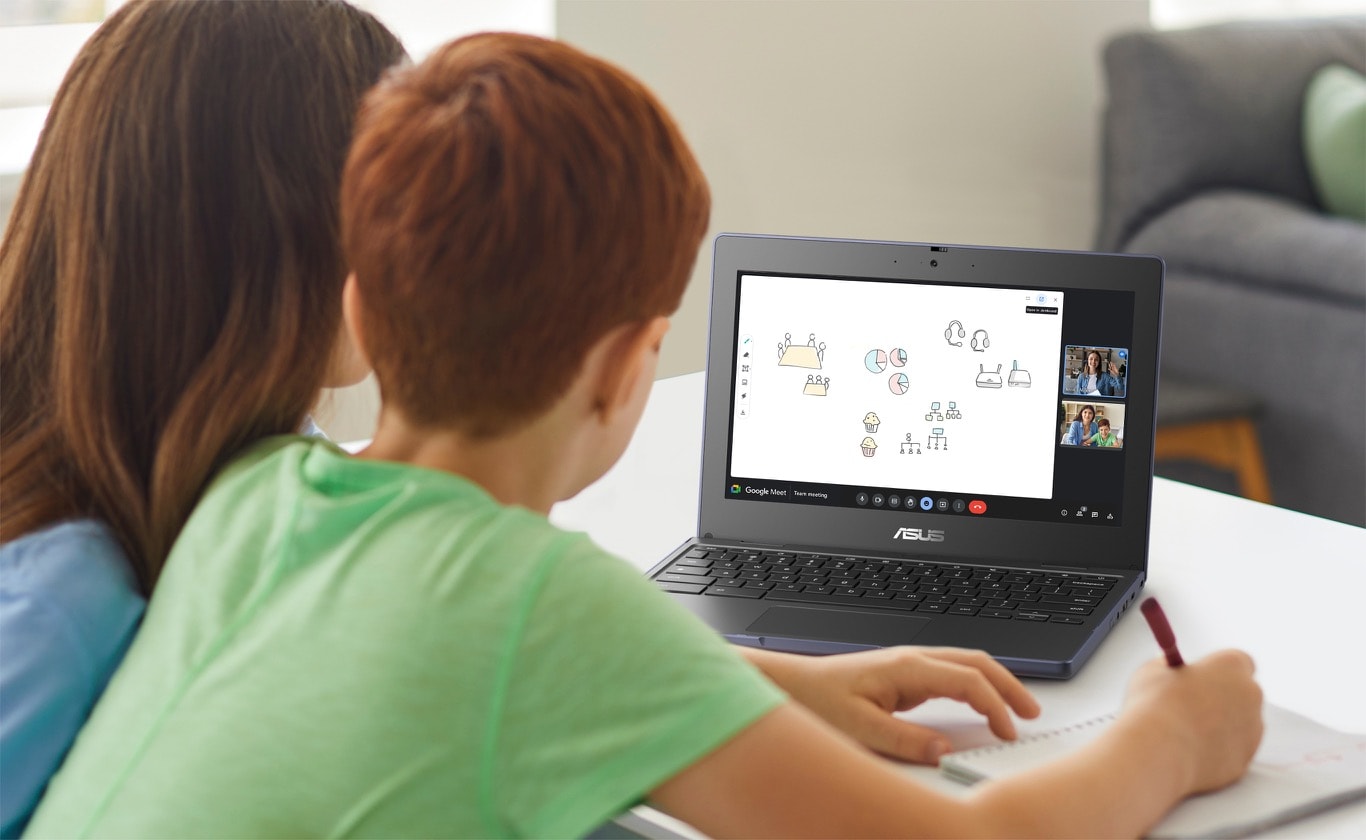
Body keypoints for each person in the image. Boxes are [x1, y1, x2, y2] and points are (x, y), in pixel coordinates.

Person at [26, 33, 1263, 839]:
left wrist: (772, 684)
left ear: (357, 305)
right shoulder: (538, 602)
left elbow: (435, 653)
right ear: (628, 368)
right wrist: (1170, 739)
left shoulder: (255, 491)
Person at [0, 2, 405, 836]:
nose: (409, 247)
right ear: (272, 234)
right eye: (389, 200)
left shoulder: (266, 460)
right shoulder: (63, 600)